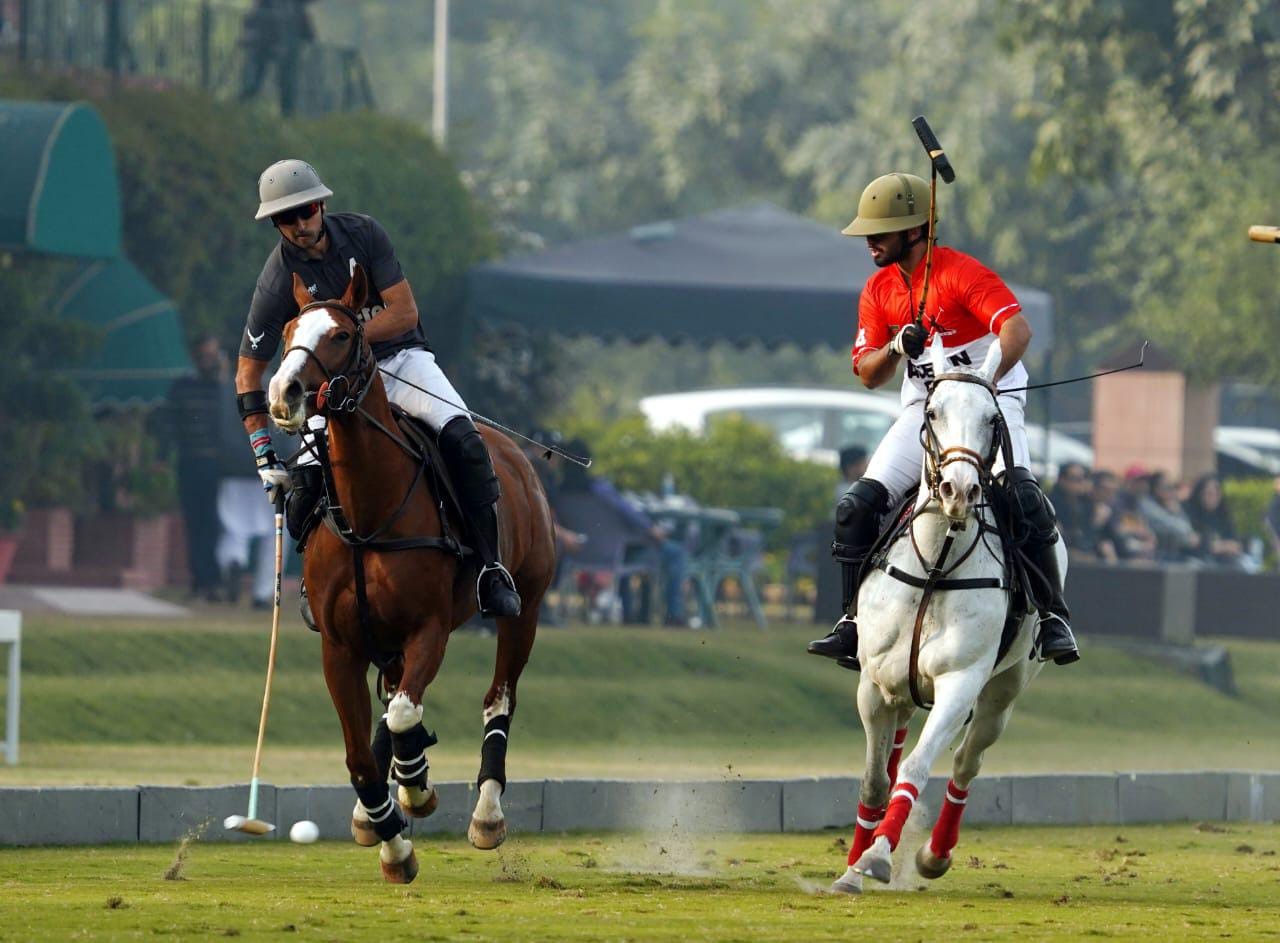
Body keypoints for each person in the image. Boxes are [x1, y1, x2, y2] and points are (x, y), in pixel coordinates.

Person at [807, 172, 1078, 667]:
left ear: (915, 231)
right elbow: (868, 374)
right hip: (925, 407)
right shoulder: (878, 289)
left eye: (881, 232)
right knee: (855, 506)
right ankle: (852, 621)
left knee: (1020, 495)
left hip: (989, 399)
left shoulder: (961, 274)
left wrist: (984, 381)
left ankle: (1053, 615)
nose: (870, 241)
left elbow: (1017, 330)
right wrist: (895, 346)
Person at [233, 159, 521, 618]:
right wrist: (264, 454)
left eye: (305, 211)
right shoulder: (275, 280)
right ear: (275, 224)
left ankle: (489, 569)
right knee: (305, 487)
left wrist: (342, 337)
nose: (299, 224)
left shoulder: (364, 234)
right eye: (286, 218)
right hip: (340, 384)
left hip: (401, 361)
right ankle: (317, 584)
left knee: (465, 442)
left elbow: (404, 312)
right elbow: (248, 373)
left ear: (322, 204)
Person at [162, 335, 229, 601]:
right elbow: (168, 426)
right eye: (203, 356)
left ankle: (214, 579)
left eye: (211, 356)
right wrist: (161, 456)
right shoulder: (182, 387)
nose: (207, 362)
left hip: (219, 467)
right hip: (190, 463)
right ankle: (201, 580)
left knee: (216, 524)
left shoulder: (222, 389)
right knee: (195, 523)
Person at [1183, 473, 1248, 569]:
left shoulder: (1223, 515)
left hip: (1224, 562)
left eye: (1216, 494)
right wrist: (1218, 546)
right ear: (1200, 494)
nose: (1213, 498)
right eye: (1209, 494)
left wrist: (1219, 546)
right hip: (1196, 561)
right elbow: (1193, 541)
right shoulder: (1188, 512)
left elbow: (1235, 544)